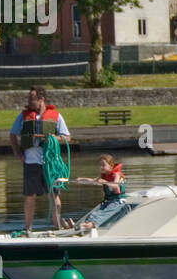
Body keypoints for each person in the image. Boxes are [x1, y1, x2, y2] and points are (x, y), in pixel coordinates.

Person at [9, 86, 70, 232]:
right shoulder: (23, 116)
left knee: (54, 194)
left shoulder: (56, 116)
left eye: (32, 99)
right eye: (29, 99)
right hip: (31, 162)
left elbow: (67, 137)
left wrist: (52, 138)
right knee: (29, 196)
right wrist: (17, 152)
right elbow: (12, 134)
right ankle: (27, 228)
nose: (29, 102)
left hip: (50, 163)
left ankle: (57, 227)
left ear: (41, 100)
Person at [75, 155, 128, 232]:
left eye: (103, 165)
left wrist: (105, 182)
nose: (101, 167)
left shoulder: (117, 174)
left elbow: (116, 185)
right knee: (95, 212)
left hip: (118, 201)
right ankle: (85, 223)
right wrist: (81, 179)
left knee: (105, 212)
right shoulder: (104, 176)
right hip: (108, 201)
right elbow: (93, 181)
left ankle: (92, 224)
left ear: (111, 166)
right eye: (100, 165)